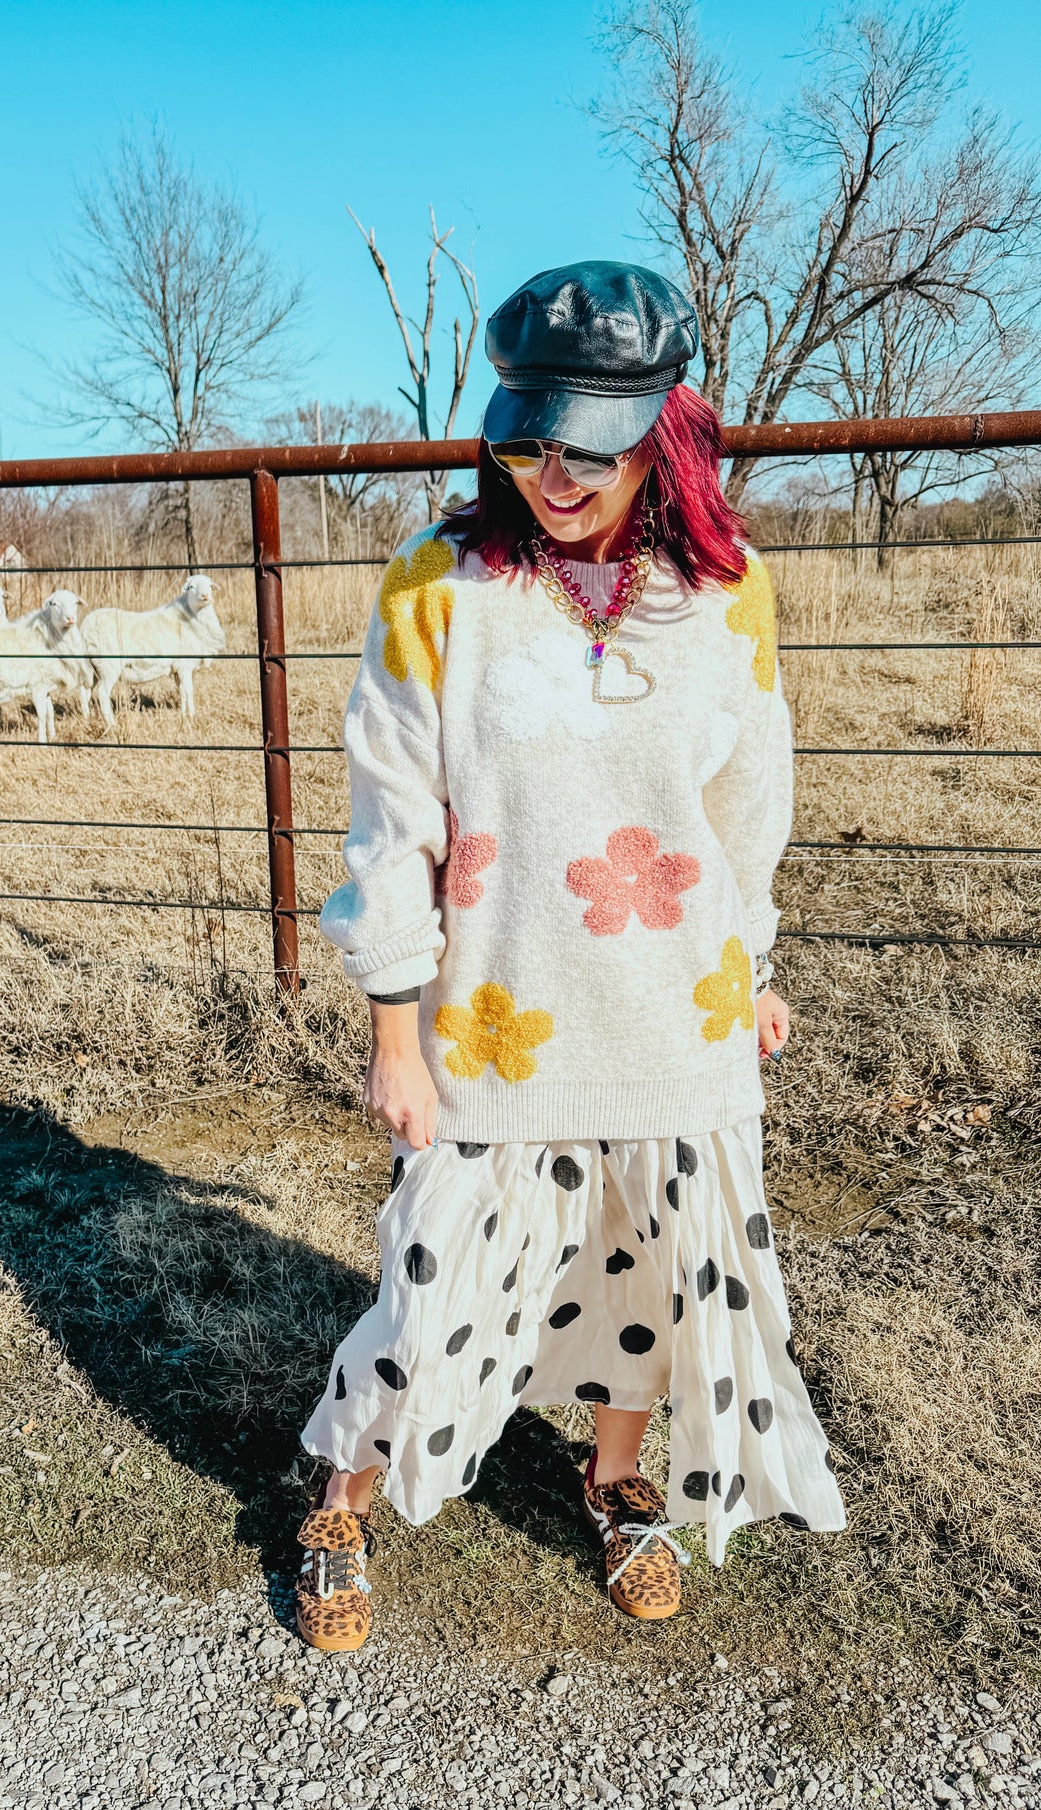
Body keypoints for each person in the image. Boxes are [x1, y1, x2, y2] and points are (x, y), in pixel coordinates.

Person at [292, 261, 845, 1652]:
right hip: (495, 1018)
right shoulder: (443, 580)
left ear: (665, 425)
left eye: (589, 442)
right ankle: (344, 1490)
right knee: (433, 1285)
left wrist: (754, 964)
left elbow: (745, 811)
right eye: (530, 433)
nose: (552, 469)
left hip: (677, 1013)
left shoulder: (726, 590)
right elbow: (390, 814)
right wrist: (396, 1030)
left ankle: (617, 1482)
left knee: (651, 1275)